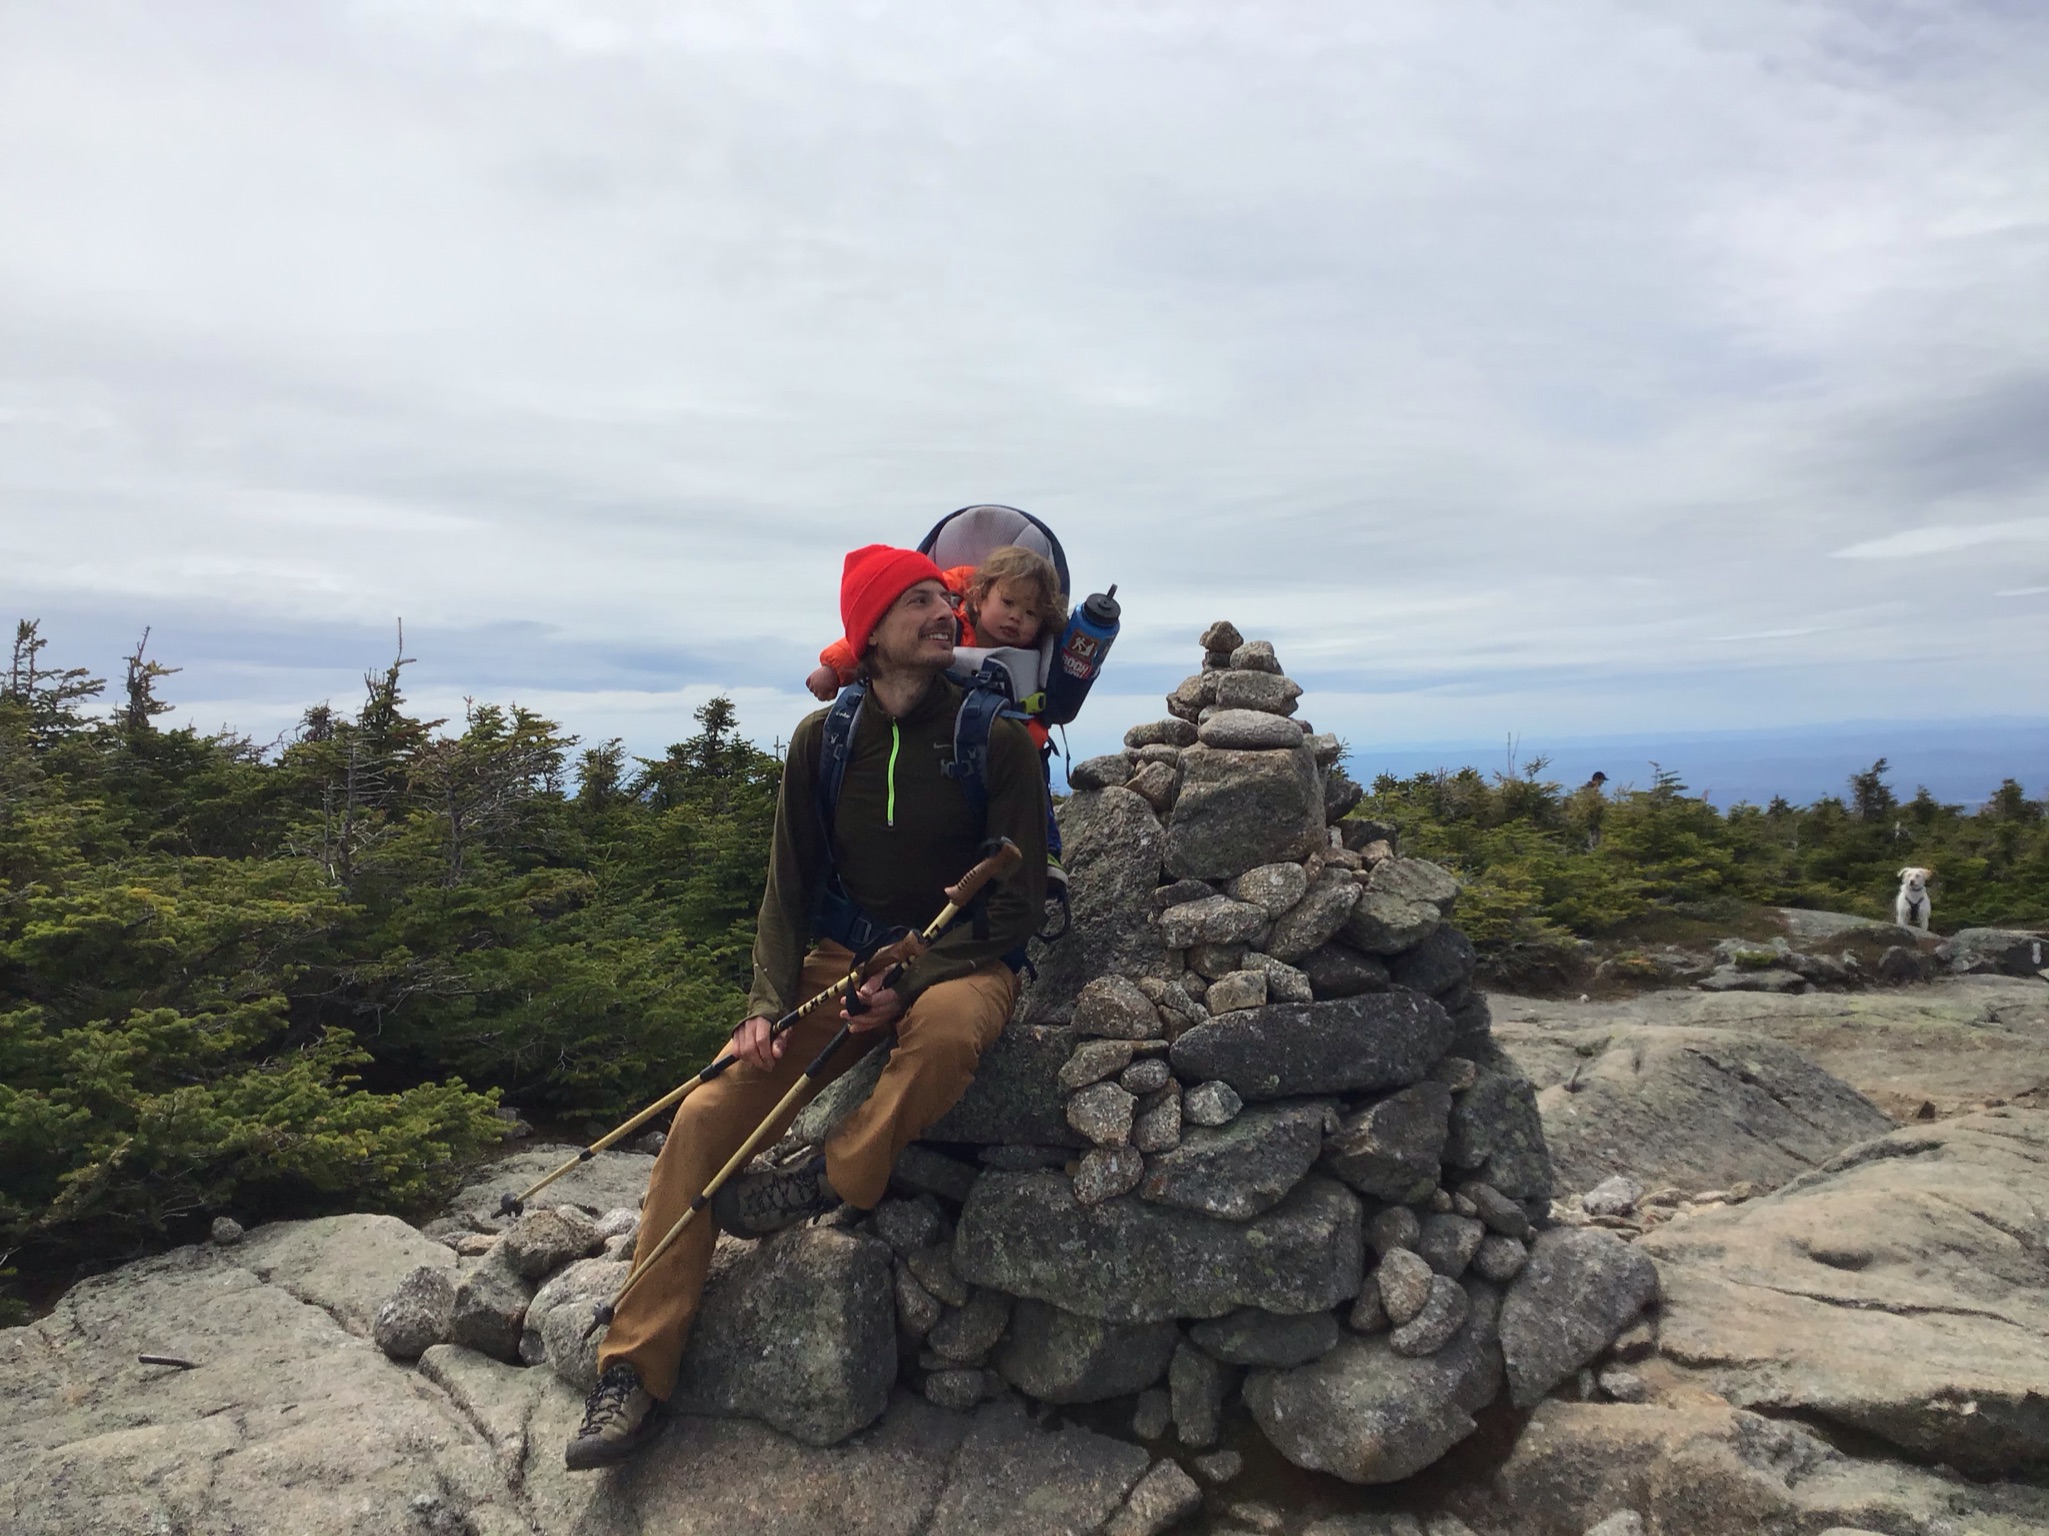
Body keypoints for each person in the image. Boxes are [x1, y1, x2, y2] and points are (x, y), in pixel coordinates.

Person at [564, 544, 1047, 1471]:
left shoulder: (991, 738)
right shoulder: (822, 739)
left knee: (946, 1035)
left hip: (958, 957)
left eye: (940, 601)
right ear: (869, 632)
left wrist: (909, 979)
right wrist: (762, 1005)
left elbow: (1018, 904)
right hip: (839, 954)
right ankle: (632, 1370)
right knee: (705, 1114)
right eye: (915, 604)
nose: (942, 615)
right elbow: (787, 887)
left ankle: (833, 1175)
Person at [804, 545, 1069, 745]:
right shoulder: (947, 627)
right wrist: (832, 668)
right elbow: (877, 635)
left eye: (1031, 614)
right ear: (979, 598)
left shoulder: (1034, 662)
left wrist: (1018, 743)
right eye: (1008, 603)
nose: (1016, 617)